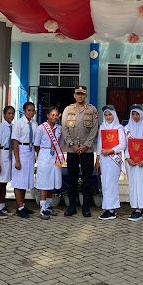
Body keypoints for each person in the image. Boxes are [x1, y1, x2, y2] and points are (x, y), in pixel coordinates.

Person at [61, 85, 99, 217]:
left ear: (85, 95)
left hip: (87, 151)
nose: (80, 96)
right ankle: (72, 206)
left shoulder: (92, 110)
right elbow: (64, 128)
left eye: (82, 94)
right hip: (72, 150)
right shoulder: (68, 109)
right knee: (72, 177)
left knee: (87, 178)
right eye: (78, 94)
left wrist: (86, 145)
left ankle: (86, 207)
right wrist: (72, 144)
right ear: (74, 95)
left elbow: (94, 128)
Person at [95, 105, 126, 220]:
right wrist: (97, 159)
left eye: (110, 115)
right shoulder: (102, 127)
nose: (108, 117)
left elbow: (123, 144)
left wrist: (111, 150)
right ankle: (107, 208)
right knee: (105, 184)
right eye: (106, 115)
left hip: (114, 159)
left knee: (112, 184)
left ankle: (112, 210)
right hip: (104, 159)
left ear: (114, 115)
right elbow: (99, 144)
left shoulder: (119, 128)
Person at [34, 107, 64, 220]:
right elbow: (36, 145)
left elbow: (60, 143)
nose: (54, 117)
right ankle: (42, 209)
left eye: (56, 115)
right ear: (47, 115)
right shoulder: (41, 128)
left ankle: (48, 206)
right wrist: (41, 156)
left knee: (52, 181)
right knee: (44, 183)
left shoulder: (59, 128)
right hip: (45, 155)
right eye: (52, 115)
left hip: (55, 156)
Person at [124, 104, 143, 221]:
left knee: (141, 184)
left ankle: (140, 209)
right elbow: (125, 146)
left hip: (142, 163)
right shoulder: (126, 129)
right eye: (133, 114)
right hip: (131, 162)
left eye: (137, 114)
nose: (135, 116)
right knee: (133, 185)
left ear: (141, 115)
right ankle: (135, 207)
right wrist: (128, 158)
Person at [12, 102, 37, 218]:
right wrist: (17, 160)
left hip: (30, 150)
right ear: (24, 111)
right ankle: (20, 207)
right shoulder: (18, 124)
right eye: (29, 110)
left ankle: (23, 204)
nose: (31, 113)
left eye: (33, 110)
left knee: (26, 180)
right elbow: (15, 142)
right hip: (21, 150)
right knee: (19, 180)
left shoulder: (34, 124)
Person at [0, 105, 14, 218]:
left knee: (4, 182)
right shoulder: (0, 128)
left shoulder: (13, 127)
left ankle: (2, 205)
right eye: (9, 113)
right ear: (4, 115)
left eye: (12, 113)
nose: (11, 116)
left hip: (9, 155)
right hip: (1, 153)